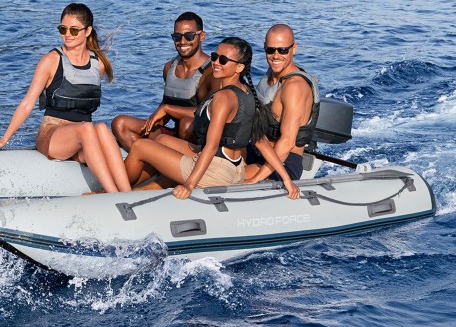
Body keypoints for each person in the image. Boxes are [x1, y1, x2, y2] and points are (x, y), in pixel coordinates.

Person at [123, 37, 300, 200]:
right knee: (162, 139)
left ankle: (119, 191)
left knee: (140, 146)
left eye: (223, 60)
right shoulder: (247, 93)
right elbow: (261, 142)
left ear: (239, 67)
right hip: (235, 170)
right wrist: (286, 179)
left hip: (216, 173)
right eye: (214, 57)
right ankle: (144, 188)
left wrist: (189, 184)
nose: (215, 63)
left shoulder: (223, 98)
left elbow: (212, 145)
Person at [0, 3, 131, 193]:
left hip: (83, 139)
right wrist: (4, 139)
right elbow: (27, 103)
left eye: (73, 30)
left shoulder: (98, 64)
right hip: (53, 134)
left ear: (87, 31)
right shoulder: (51, 60)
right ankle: (113, 195)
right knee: (88, 128)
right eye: (63, 29)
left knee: (102, 128)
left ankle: (127, 192)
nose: (67, 34)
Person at [111, 12, 218, 151]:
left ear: (202, 36)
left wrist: (167, 109)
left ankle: (177, 162)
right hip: (174, 135)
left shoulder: (212, 72)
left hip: (197, 141)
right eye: (177, 36)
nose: (182, 41)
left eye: (189, 36)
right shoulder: (169, 68)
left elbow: (209, 113)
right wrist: (152, 123)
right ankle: (148, 160)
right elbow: (167, 105)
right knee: (120, 123)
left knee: (186, 124)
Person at [245, 23, 318, 184]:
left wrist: (255, 179)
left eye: (283, 50)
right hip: (257, 150)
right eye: (270, 50)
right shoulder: (272, 75)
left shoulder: (294, 87)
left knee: (225, 178)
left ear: (294, 49)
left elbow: (287, 142)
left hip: (282, 162)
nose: (275, 56)